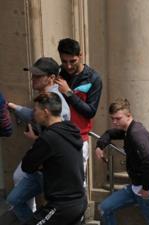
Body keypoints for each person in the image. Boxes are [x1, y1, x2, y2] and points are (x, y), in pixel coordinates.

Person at [6, 57, 71, 223]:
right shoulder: (46, 96)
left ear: (50, 78)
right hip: (42, 156)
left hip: (53, 163)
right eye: (32, 75)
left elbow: (60, 135)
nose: (32, 79)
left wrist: (38, 139)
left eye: (37, 76)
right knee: (18, 181)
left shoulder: (57, 101)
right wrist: (15, 108)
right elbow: (35, 115)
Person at [21, 92, 86, 225]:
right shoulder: (72, 130)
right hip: (79, 201)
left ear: (46, 112)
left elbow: (27, 166)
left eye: (36, 110)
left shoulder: (48, 138)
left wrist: (38, 146)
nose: (34, 113)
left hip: (62, 206)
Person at [95, 98, 149, 225]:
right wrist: (100, 146)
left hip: (148, 192)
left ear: (128, 116)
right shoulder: (128, 130)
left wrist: (146, 188)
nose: (114, 122)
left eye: (118, 118)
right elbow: (110, 133)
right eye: (112, 119)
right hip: (134, 188)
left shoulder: (137, 134)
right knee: (104, 208)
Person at [55, 38, 103, 184]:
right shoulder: (58, 73)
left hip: (78, 139)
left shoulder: (93, 79)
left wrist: (69, 93)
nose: (68, 66)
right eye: (64, 61)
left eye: (72, 61)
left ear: (81, 55)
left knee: (77, 183)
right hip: (56, 136)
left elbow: (90, 111)